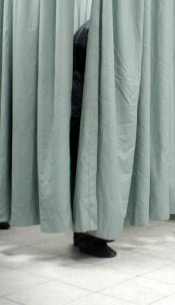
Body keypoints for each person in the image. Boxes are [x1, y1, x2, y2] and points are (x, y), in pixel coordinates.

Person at [71, 21, 116, 258]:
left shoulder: (88, 30)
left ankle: (83, 233)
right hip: (83, 114)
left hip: (79, 111)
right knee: (90, 175)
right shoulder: (93, 33)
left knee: (83, 175)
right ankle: (90, 237)